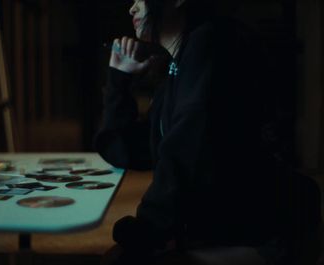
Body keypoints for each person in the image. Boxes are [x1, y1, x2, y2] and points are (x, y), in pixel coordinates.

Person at [95, 0, 322, 264]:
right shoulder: (180, 60)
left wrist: (148, 227)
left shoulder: (213, 43)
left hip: (267, 233)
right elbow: (127, 149)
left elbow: (187, 150)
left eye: (140, 0)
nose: (132, 8)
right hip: (225, 225)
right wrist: (119, 80)